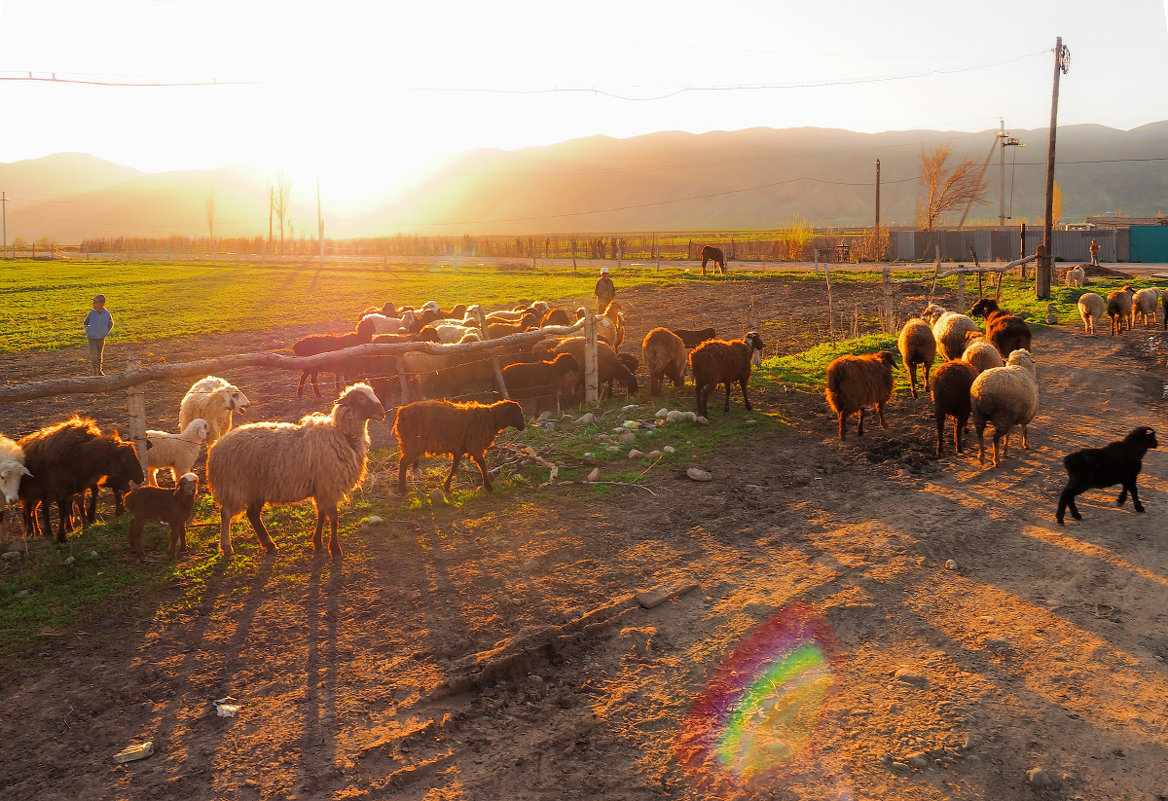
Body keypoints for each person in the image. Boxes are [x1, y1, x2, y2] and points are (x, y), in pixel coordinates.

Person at [83, 293, 114, 376]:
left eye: (95, 303)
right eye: (93, 303)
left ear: (102, 304)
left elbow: (111, 323)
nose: (93, 304)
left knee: (99, 354)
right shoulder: (91, 313)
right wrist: (88, 331)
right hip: (92, 338)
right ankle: (95, 371)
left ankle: (99, 370)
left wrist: (105, 332)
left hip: (101, 337)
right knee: (94, 354)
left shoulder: (107, 314)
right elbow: (85, 323)